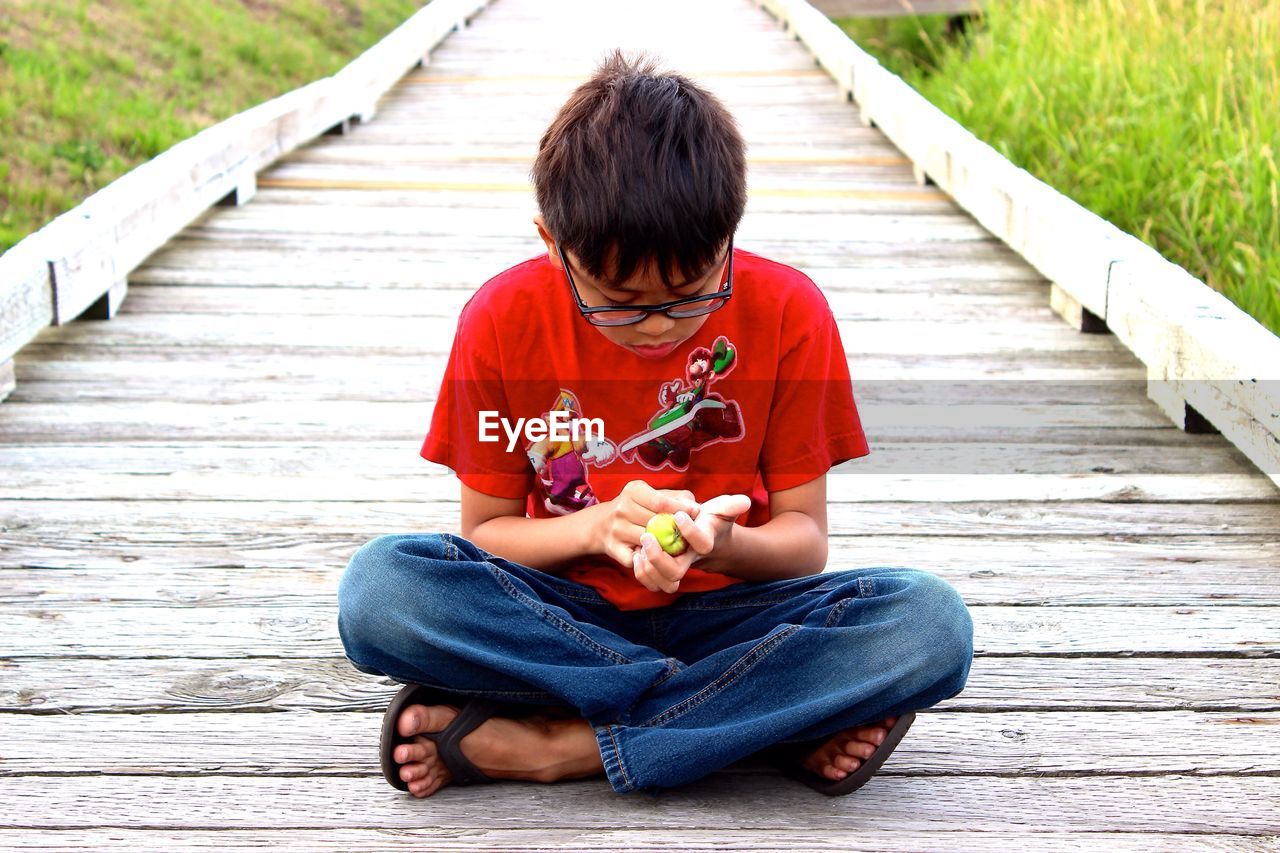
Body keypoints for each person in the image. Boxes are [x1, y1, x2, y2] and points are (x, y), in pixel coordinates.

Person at [337, 48, 974, 800]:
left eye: (690, 294)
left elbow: (804, 543)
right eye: (616, 299)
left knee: (930, 624)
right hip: (563, 623)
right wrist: (594, 528)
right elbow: (488, 535)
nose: (655, 328)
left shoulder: (789, 311)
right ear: (552, 244)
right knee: (380, 589)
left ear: (730, 235)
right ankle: (757, 716)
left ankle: (562, 745)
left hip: (728, 613)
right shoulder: (500, 320)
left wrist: (726, 542)